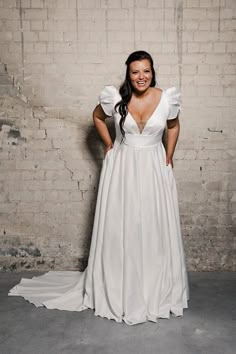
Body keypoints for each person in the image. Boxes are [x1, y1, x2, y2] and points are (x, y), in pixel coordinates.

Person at [9, 50, 189, 326]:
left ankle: (154, 289)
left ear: (153, 72)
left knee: (153, 225)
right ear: (128, 74)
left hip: (154, 167)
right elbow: (96, 118)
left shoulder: (166, 98)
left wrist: (169, 155)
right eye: (135, 71)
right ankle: (121, 289)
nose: (141, 76)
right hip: (124, 167)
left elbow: (173, 126)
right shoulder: (116, 99)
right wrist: (108, 145)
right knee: (124, 225)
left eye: (146, 71)